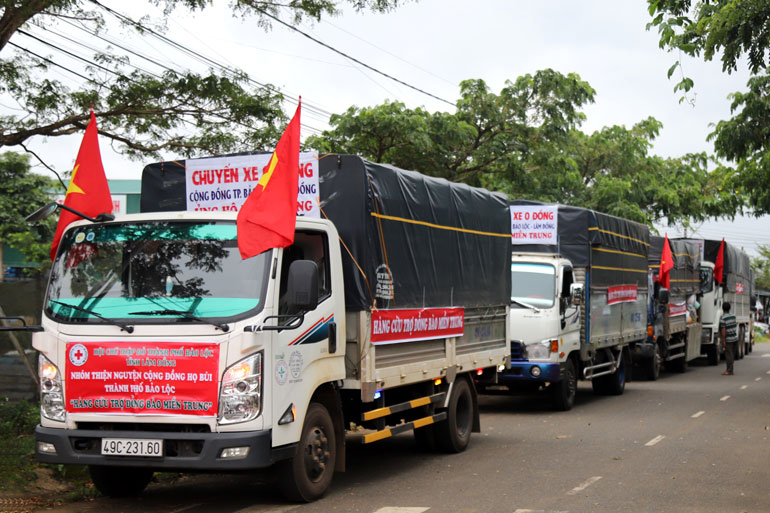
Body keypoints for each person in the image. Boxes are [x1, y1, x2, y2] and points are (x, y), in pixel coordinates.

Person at [719, 301, 738, 375]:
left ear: (723, 309)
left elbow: (723, 331)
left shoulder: (723, 318)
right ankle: (730, 369)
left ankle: (729, 370)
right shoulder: (733, 316)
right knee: (732, 355)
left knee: (728, 355)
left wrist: (723, 341)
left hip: (729, 339)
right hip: (735, 338)